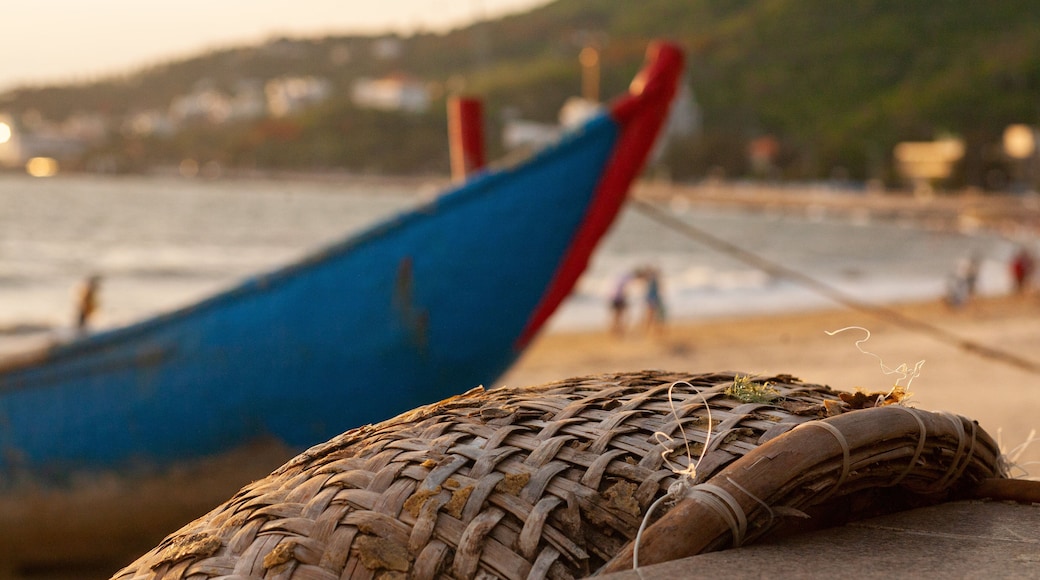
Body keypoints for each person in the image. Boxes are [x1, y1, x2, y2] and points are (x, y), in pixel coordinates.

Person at [641, 267, 666, 334]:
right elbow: (658, 290)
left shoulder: (651, 280)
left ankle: (650, 329)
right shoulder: (653, 280)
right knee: (652, 314)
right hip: (653, 299)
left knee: (652, 315)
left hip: (652, 298)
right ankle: (650, 329)